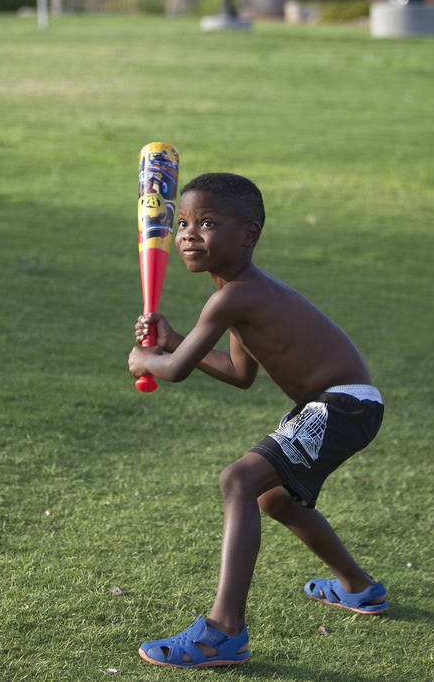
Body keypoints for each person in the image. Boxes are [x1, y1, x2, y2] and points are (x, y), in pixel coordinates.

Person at [127, 173, 385, 669]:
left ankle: (223, 632)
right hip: (341, 404)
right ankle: (360, 588)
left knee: (238, 480)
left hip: (342, 405)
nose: (187, 234)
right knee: (273, 498)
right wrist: (174, 338)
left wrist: (146, 360)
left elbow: (174, 372)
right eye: (181, 223)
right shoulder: (238, 297)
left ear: (248, 234)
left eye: (206, 223)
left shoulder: (234, 296)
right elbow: (239, 373)